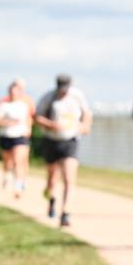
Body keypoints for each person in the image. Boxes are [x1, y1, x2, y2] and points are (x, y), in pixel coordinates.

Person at [36, 74, 92, 227]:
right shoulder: (48, 97)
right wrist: (51, 125)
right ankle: (51, 199)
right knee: (52, 178)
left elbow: (87, 114)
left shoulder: (77, 96)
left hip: (70, 140)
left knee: (69, 178)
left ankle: (65, 213)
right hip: (51, 140)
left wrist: (85, 126)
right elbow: (37, 116)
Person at [0, 80, 35, 198]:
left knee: (19, 161)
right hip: (6, 135)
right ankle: (7, 175)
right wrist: (8, 123)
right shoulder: (3, 104)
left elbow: (30, 117)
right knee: (7, 162)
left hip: (20, 136)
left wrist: (29, 129)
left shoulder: (26, 103)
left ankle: (18, 186)